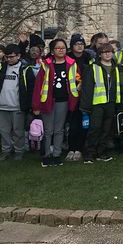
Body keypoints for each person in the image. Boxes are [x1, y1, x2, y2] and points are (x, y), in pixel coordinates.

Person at [32, 38, 80, 166]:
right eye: (58, 48)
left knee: (59, 129)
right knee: (48, 130)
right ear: (52, 51)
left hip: (64, 101)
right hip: (47, 101)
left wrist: (76, 91)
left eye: (63, 48)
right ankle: (47, 155)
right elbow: (38, 86)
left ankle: (57, 154)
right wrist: (36, 105)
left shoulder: (72, 63)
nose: (61, 50)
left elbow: (78, 80)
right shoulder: (45, 64)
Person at [81, 43, 123, 163]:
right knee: (95, 128)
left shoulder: (116, 68)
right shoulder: (93, 67)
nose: (107, 54)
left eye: (110, 52)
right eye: (105, 52)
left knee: (106, 129)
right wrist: (86, 106)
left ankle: (101, 152)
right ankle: (89, 154)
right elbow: (87, 87)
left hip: (111, 102)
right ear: (100, 54)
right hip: (97, 103)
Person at [0, 44, 30, 161]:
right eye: (7, 57)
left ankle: (19, 151)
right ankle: (6, 150)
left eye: (12, 57)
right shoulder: (1, 67)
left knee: (18, 131)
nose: (9, 59)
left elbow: (29, 88)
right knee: (4, 131)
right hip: (2, 105)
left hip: (17, 105)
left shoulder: (24, 69)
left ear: (18, 56)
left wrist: (27, 104)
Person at [66, 34, 91, 161]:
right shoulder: (68, 58)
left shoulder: (88, 58)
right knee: (73, 124)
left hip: (85, 96)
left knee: (83, 124)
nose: (79, 46)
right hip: (71, 95)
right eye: (77, 44)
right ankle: (71, 148)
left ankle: (80, 149)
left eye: (81, 44)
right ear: (72, 46)